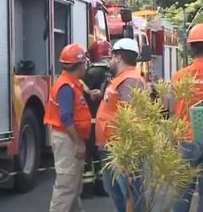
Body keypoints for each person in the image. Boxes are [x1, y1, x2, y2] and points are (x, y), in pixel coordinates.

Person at [95, 38, 145, 212]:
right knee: (116, 190)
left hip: (122, 149)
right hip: (112, 146)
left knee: (131, 195)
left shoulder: (130, 79)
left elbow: (132, 115)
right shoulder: (122, 78)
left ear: (118, 57)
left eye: (111, 56)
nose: (109, 60)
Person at [44, 43, 92, 212]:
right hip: (68, 139)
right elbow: (65, 117)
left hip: (68, 138)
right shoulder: (66, 86)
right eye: (84, 63)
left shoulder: (71, 83)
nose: (86, 66)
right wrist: (78, 142)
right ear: (79, 65)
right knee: (66, 186)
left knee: (73, 187)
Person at [169, 24, 203, 212]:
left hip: (185, 140)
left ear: (191, 48)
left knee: (182, 193)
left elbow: (172, 109)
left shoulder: (178, 77)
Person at [82, 40, 113, 198]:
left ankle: (87, 189)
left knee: (87, 154)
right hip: (105, 120)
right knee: (100, 155)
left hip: (91, 118)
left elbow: (83, 92)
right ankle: (102, 187)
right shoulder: (112, 72)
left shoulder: (92, 73)